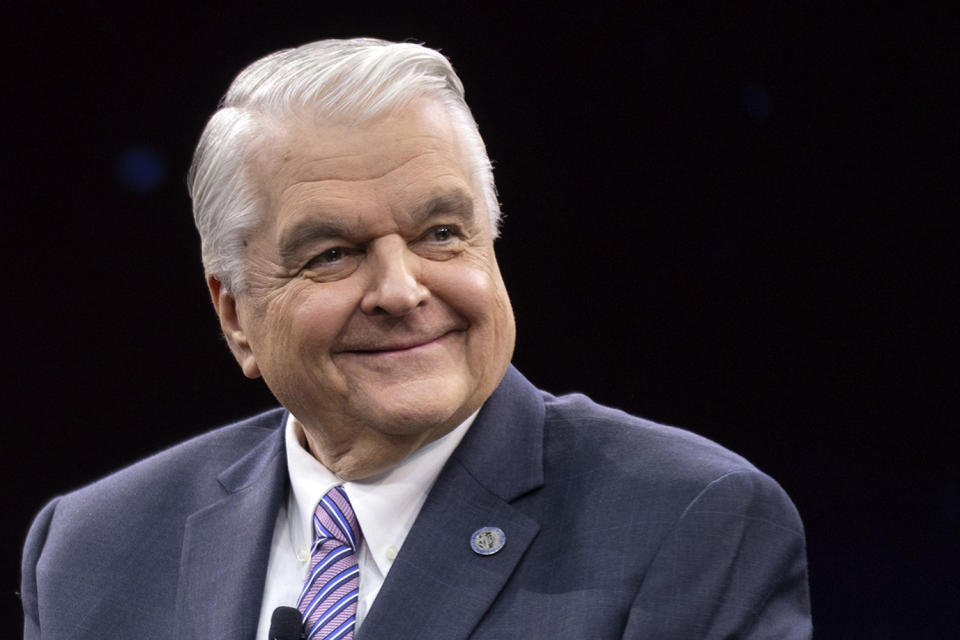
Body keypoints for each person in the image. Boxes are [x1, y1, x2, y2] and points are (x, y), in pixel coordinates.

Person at [21, 38, 812, 639]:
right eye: (331, 254)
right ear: (235, 316)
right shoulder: (91, 551)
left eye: (440, 234)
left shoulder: (692, 524)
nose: (402, 292)